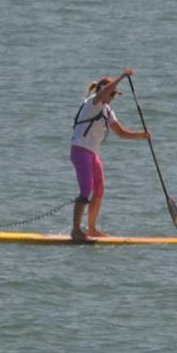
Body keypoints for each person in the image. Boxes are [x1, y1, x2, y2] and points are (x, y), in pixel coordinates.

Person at [69, 71, 150, 241]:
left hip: (92, 153)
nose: (112, 97)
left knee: (99, 189)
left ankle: (91, 229)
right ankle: (75, 230)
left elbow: (120, 132)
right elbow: (104, 92)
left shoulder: (107, 111)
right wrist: (121, 77)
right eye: (111, 93)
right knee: (86, 190)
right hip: (80, 150)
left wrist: (141, 135)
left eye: (114, 95)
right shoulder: (92, 102)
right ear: (103, 91)